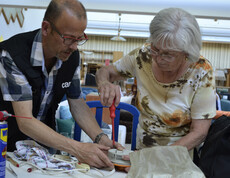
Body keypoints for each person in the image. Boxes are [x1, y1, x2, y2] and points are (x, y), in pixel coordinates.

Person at [0, 0, 122, 169]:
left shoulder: (71, 56)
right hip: (6, 146)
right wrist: (78, 148)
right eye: (68, 39)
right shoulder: (12, 54)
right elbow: (25, 120)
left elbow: (77, 103)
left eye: (79, 39)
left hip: (43, 147)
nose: (73, 47)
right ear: (46, 28)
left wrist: (101, 139)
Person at [96, 7, 216, 160]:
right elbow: (105, 71)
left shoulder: (202, 72)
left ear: (187, 53)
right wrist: (104, 83)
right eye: (156, 49)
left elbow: (199, 133)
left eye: (168, 54)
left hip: (177, 159)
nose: (158, 58)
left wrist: (153, 158)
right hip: (140, 152)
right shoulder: (143, 56)